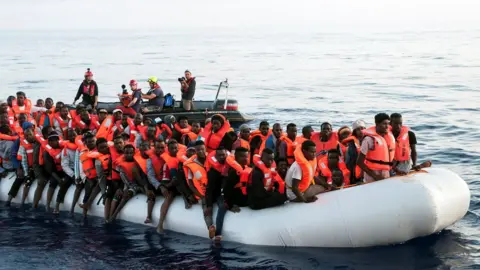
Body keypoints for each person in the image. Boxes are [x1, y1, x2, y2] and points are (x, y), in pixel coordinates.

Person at [109, 144, 149, 223]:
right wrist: (120, 189)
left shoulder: (137, 164)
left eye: (131, 153)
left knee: (126, 194)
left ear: (134, 153)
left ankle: (114, 216)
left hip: (137, 186)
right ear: (124, 153)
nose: (129, 155)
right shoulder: (120, 166)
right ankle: (110, 215)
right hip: (126, 185)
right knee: (117, 193)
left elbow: (141, 180)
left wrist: (145, 190)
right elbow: (122, 180)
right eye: (127, 153)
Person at [357, 113, 396, 183]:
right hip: (371, 175)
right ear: (377, 124)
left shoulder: (388, 137)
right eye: (384, 124)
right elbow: (359, 162)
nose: (387, 126)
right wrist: (375, 176)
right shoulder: (368, 139)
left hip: (386, 172)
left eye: (388, 124)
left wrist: (397, 170)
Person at [81, 138, 112, 217]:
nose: (104, 149)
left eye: (106, 147)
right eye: (102, 148)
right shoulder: (98, 161)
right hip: (106, 179)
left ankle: (87, 204)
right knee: (94, 186)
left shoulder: (113, 151)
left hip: (117, 178)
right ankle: (87, 204)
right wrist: (104, 193)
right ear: (97, 149)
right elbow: (101, 179)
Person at [5, 124, 34, 207]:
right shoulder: (19, 141)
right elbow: (14, 156)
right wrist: (18, 168)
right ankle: (9, 200)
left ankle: (23, 202)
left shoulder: (36, 142)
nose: (29, 136)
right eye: (27, 134)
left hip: (33, 166)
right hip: (21, 165)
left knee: (28, 179)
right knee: (19, 178)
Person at [205, 147, 229, 241]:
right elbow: (209, 190)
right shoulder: (212, 172)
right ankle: (217, 233)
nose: (222, 157)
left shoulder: (230, 167)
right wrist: (209, 205)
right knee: (221, 207)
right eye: (219, 155)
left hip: (225, 193)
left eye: (224, 155)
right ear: (216, 157)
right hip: (216, 194)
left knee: (224, 205)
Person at [55, 128, 78, 214]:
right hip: (71, 170)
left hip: (80, 169)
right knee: (65, 183)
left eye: (74, 135)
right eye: (70, 136)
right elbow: (64, 165)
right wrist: (73, 175)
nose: (73, 137)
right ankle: (57, 205)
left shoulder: (81, 146)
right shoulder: (66, 150)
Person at [41, 132, 64, 212]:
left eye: (53, 141)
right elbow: (50, 169)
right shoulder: (47, 153)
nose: (50, 143)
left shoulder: (64, 148)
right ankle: (47, 204)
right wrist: (59, 180)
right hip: (54, 171)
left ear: (58, 140)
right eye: (49, 141)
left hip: (64, 169)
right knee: (53, 182)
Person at [32, 126, 54, 209]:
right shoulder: (39, 145)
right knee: (41, 182)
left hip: (52, 169)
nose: (51, 134)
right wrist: (38, 174)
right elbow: (35, 162)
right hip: (41, 169)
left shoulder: (55, 142)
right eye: (49, 133)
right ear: (44, 135)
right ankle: (34, 205)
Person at [145, 139, 166, 224]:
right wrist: (160, 186)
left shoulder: (168, 157)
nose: (160, 150)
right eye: (158, 148)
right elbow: (150, 176)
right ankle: (149, 216)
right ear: (154, 148)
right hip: (156, 183)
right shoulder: (150, 160)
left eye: (162, 148)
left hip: (166, 181)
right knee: (151, 194)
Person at [223, 147, 250, 212]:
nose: (245, 159)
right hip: (238, 199)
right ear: (236, 157)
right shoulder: (234, 172)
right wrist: (230, 206)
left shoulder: (245, 168)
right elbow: (227, 189)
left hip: (245, 194)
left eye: (246, 157)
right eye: (242, 156)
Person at [344, 120, 366, 185]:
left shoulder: (369, 140)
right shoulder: (351, 144)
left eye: (362, 128)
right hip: (355, 169)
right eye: (358, 129)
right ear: (355, 132)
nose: (361, 131)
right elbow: (350, 161)